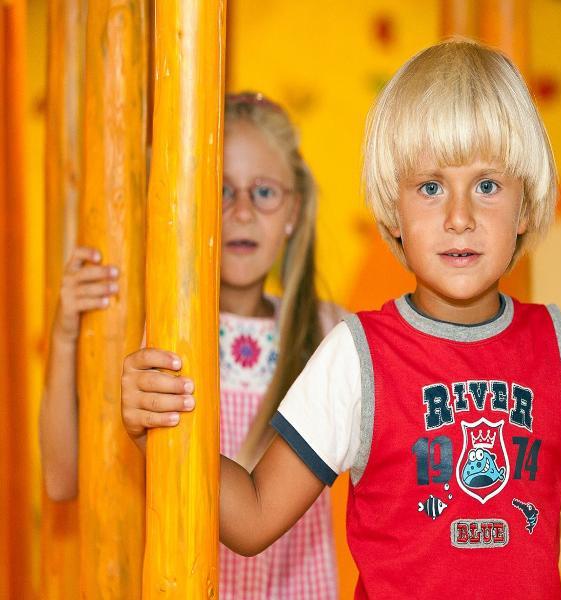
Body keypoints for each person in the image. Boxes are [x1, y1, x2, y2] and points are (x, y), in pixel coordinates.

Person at [120, 41, 561, 599]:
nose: (459, 217)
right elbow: (253, 518)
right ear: (393, 212)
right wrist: (159, 430)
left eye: (487, 185)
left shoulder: (560, 349)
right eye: (430, 187)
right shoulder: (357, 356)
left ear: (526, 207)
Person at [40, 92, 340, 599]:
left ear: (293, 209)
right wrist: (67, 334)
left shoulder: (329, 332)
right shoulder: (154, 337)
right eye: (219, 191)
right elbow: (61, 479)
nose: (241, 212)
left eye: (263, 192)